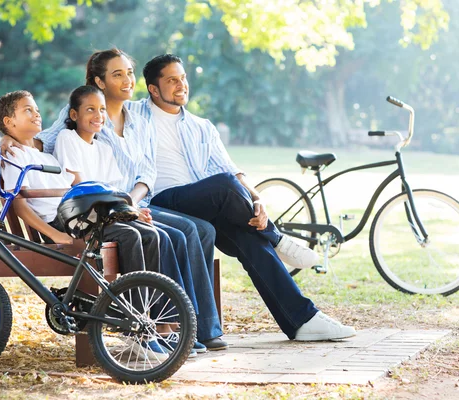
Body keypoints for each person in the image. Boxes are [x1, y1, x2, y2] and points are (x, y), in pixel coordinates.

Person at [132, 54, 356, 341]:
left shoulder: (201, 127)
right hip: (161, 202)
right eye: (172, 80)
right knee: (226, 189)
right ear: (153, 88)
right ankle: (278, 239)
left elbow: (232, 170)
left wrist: (257, 199)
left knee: (252, 240)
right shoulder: (134, 114)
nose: (181, 85)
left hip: (202, 204)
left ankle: (302, 320)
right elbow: (75, 116)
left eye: (183, 78)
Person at [40, 50, 225, 352]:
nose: (127, 80)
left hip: (134, 201)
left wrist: (133, 201)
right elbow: (46, 139)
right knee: (178, 234)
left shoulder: (139, 118)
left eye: (129, 72)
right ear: (99, 81)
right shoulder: (85, 113)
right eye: (117, 74)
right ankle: (170, 326)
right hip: (106, 209)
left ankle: (199, 327)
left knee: (201, 229)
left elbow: (148, 168)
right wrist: (12, 140)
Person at [0, 90, 171, 360]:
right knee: (130, 237)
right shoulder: (14, 155)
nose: (37, 113)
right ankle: (136, 329)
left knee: (149, 234)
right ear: (9, 122)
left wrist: (127, 210)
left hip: (78, 215)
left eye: (36, 108)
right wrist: (56, 235)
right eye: (27, 110)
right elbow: (18, 204)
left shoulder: (45, 155)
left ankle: (145, 315)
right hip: (62, 222)